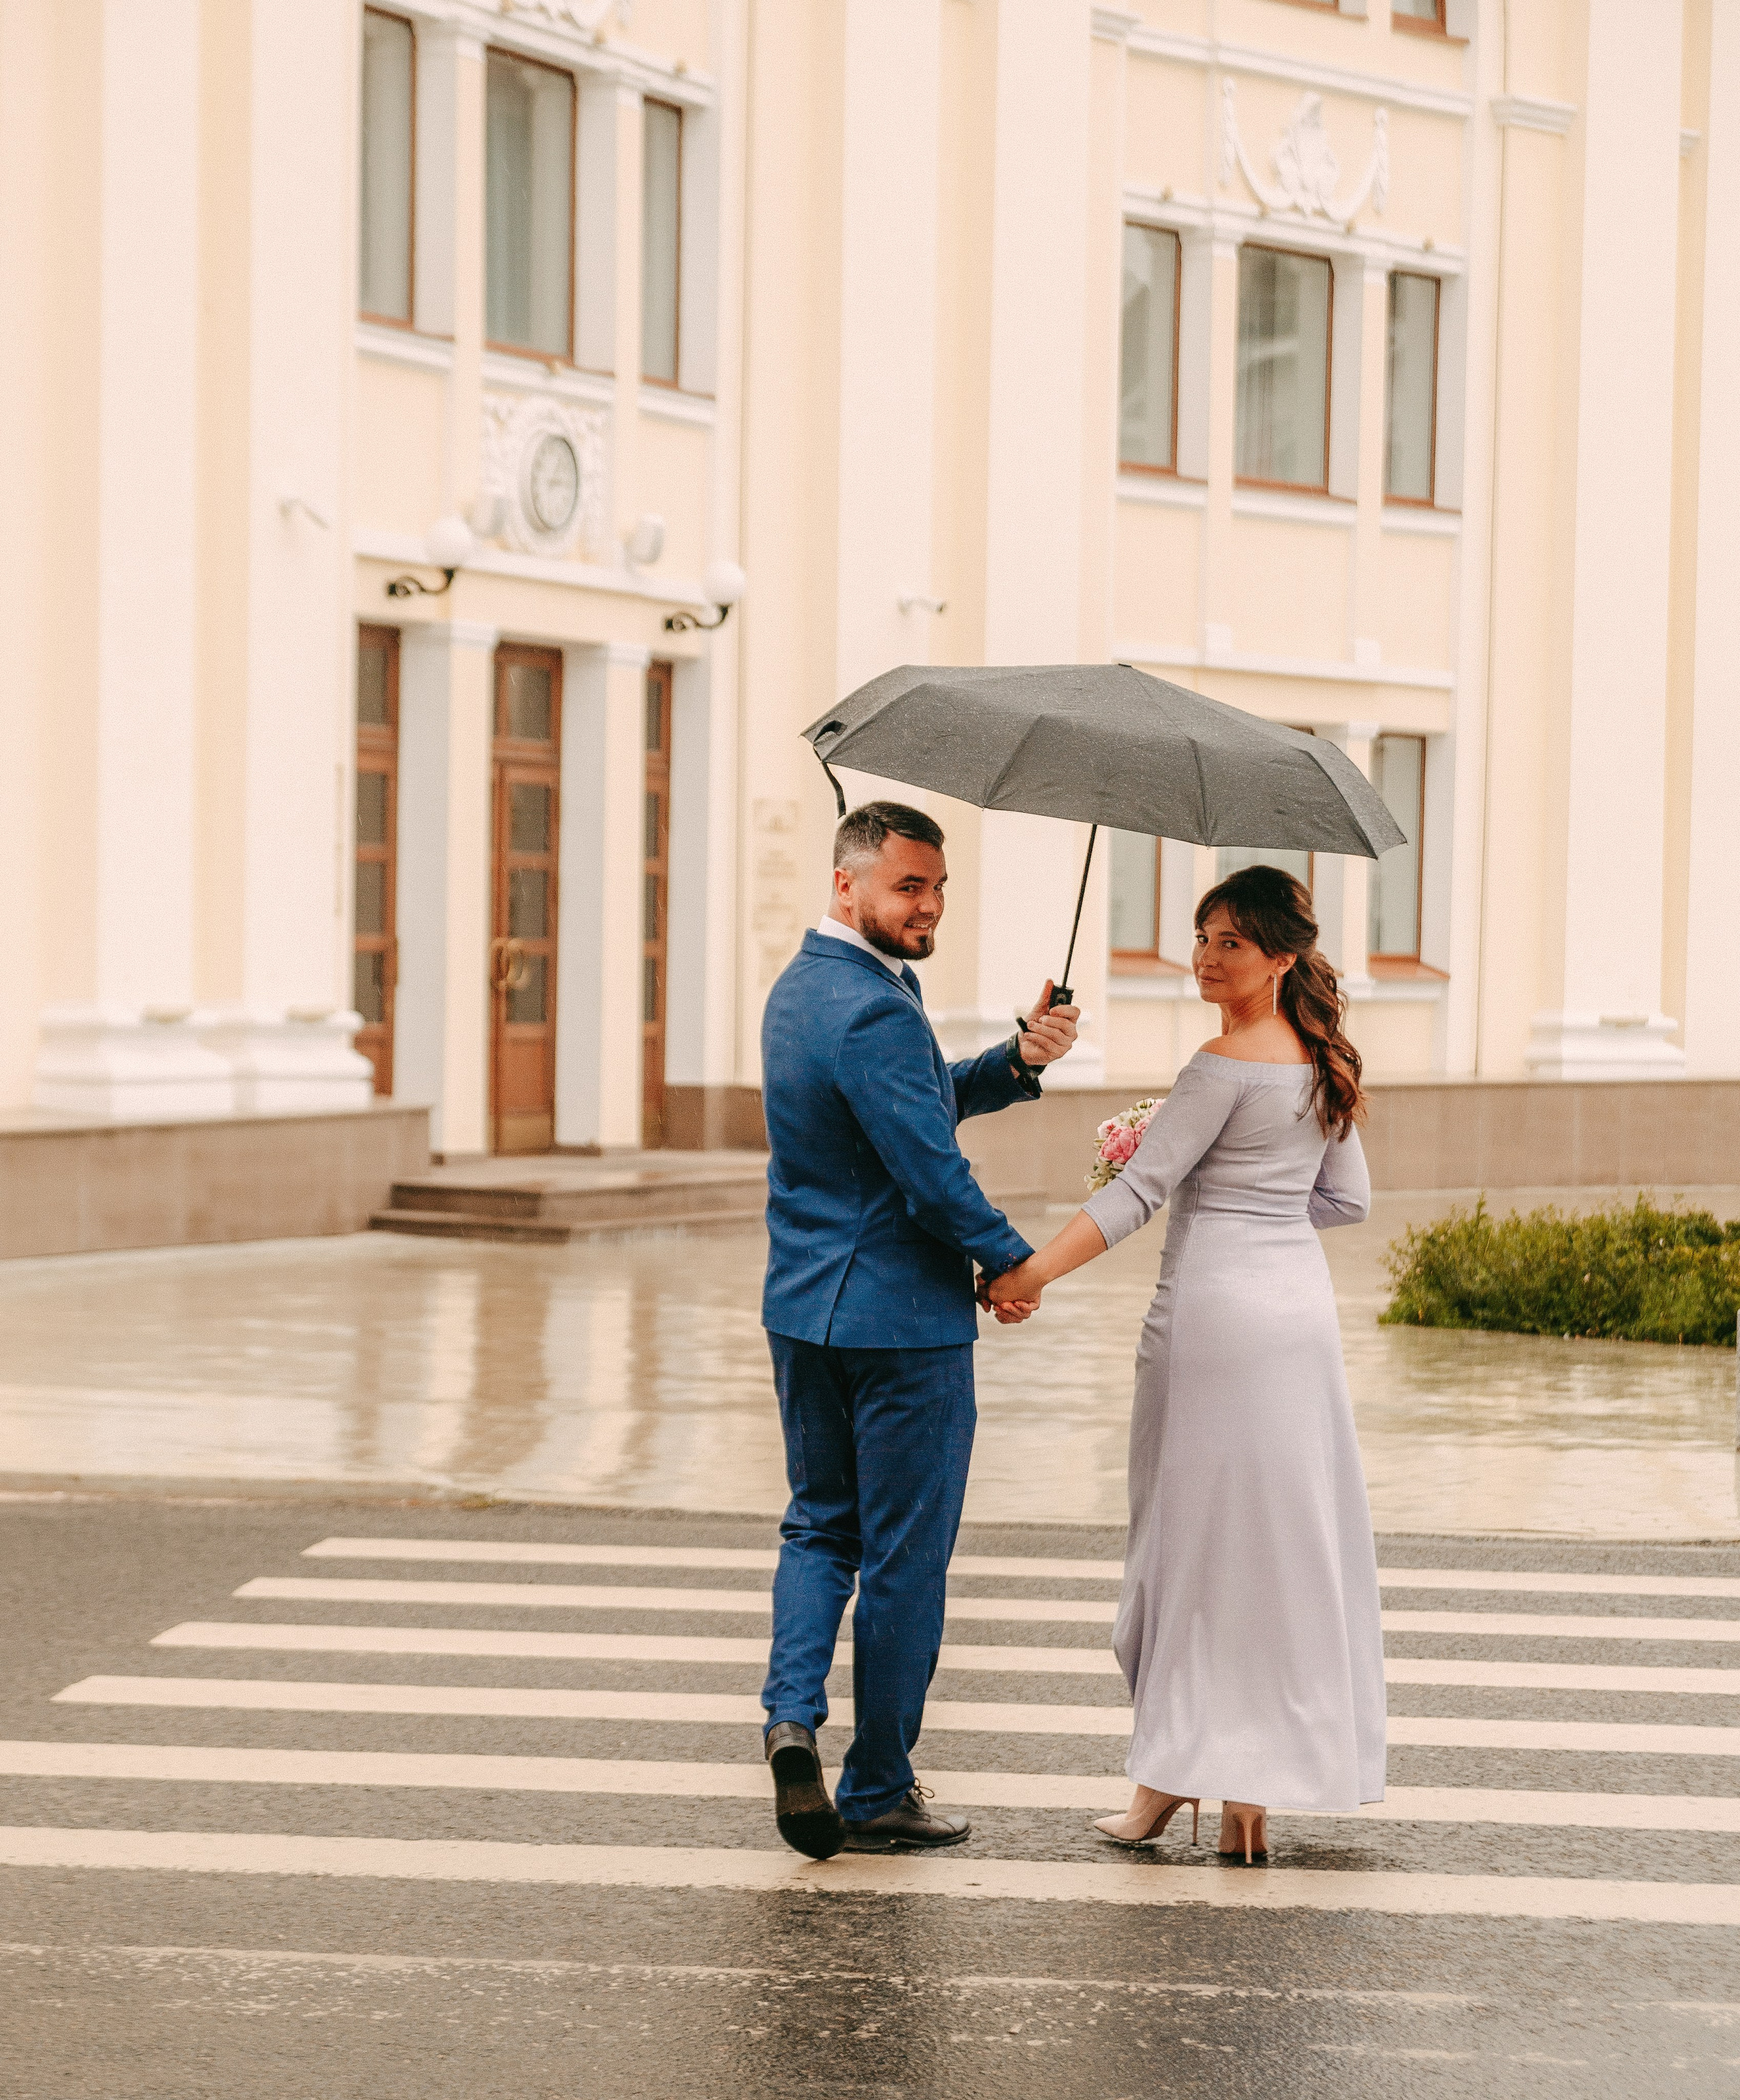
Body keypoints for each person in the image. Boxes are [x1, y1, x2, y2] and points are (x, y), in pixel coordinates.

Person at [988, 863, 1385, 1863]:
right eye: (1202, 937)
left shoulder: (1219, 1064)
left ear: (1280, 957)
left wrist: (1025, 1273)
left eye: (1230, 943)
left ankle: (1167, 1780)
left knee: (1191, 1544)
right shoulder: (1323, 1062)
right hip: (1298, 1320)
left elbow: (1134, 1200)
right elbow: (1346, 1202)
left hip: (1213, 1321)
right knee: (1280, 1545)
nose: (1206, 957)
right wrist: (1260, 1207)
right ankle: (1249, 1796)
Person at [759, 799, 1079, 1859]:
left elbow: (910, 1103)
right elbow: (928, 1169)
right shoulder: (878, 1007)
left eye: (938, 887)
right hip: (901, 1325)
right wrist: (1011, 1259)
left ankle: (791, 1717)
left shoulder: (803, 987)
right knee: (906, 1557)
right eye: (908, 885)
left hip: (805, 1310)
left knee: (820, 1526)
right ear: (845, 881)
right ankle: (877, 1786)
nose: (929, 905)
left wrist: (1016, 1061)